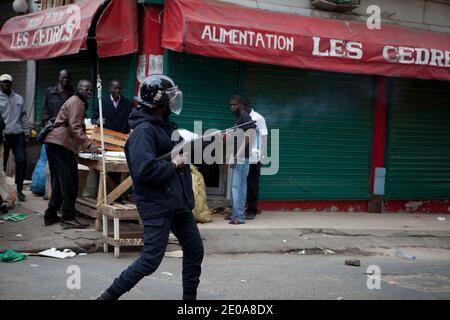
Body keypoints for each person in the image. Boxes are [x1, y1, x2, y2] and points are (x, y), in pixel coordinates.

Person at [97, 75, 204, 300]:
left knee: (194, 250)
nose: (174, 101)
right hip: (157, 204)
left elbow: (172, 153)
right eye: (170, 97)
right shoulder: (144, 131)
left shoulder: (164, 126)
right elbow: (144, 171)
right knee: (150, 261)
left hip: (176, 202)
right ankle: (106, 298)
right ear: (158, 102)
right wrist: (174, 163)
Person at [43, 80, 101, 229]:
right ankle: (68, 217)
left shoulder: (74, 100)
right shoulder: (77, 102)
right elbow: (75, 127)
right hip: (61, 144)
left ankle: (50, 215)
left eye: (90, 90)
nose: (89, 92)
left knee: (58, 181)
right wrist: (89, 144)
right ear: (79, 89)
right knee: (70, 182)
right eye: (86, 89)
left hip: (54, 142)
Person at [91, 80, 134, 202]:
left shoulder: (128, 103)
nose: (117, 91)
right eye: (115, 88)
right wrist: (97, 121)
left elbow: (132, 120)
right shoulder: (102, 102)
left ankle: (117, 195)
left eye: (119, 89)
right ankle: (109, 195)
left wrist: (131, 132)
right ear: (109, 89)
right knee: (105, 168)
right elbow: (93, 118)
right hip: (105, 140)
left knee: (118, 168)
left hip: (120, 141)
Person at [41, 69, 74, 200]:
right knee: (53, 169)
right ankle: (53, 197)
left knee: (64, 171)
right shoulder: (50, 92)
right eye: (63, 78)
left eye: (67, 78)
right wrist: (47, 127)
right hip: (52, 135)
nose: (65, 80)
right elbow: (44, 112)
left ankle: (59, 200)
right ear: (58, 78)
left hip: (66, 137)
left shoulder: (72, 93)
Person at [225, 95, 256, 225]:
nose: (232, 107)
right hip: (239, 156)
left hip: (241, 158)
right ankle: (237, 214)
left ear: (241, 105)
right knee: (238, 187)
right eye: (231, 105)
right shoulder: (239, 118)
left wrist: (237, 156)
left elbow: (248, 137)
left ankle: (238, 217)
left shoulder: (245, 117)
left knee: (237, 188)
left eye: (235, 105)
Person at [0, 74, 31, 202]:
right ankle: (2, 194)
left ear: (11, 84)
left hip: (18, 135)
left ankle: (18, 190)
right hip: (3, 136)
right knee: (1, 166)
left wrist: (27, 132)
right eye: (3, 82)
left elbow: (24, 116)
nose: (6, 84)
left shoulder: (19, 98)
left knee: (22, 161)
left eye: (8, 82)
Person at [242, 97, 268, 220]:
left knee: (252, 184)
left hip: (254, 157)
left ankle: (252, 209)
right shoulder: (241, 117)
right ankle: (239, 209)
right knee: (241, 184)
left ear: (245, 106)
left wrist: (261, 158)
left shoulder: (258, 118)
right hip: (242, 156)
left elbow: (264, 137)